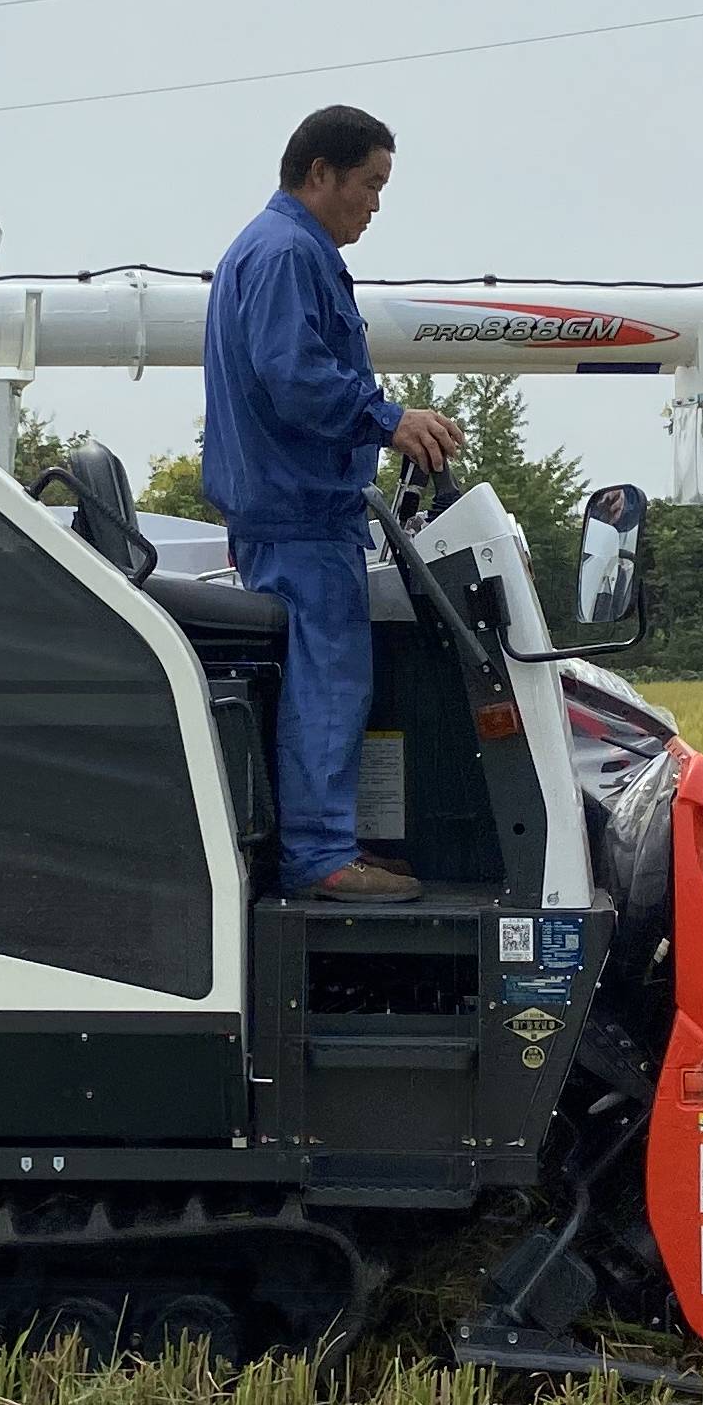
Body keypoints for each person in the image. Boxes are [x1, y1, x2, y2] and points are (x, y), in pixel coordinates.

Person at [201, 106, 462, 904]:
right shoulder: (286, 253)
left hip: (292, 513)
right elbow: (297, 376)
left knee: (321, 683)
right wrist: (391, 420)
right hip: (300, 517)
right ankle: (320, 857)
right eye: (371, 185)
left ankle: (328, 845)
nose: (375, 206)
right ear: (321, 173)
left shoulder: (274, 248)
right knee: (328, 684)